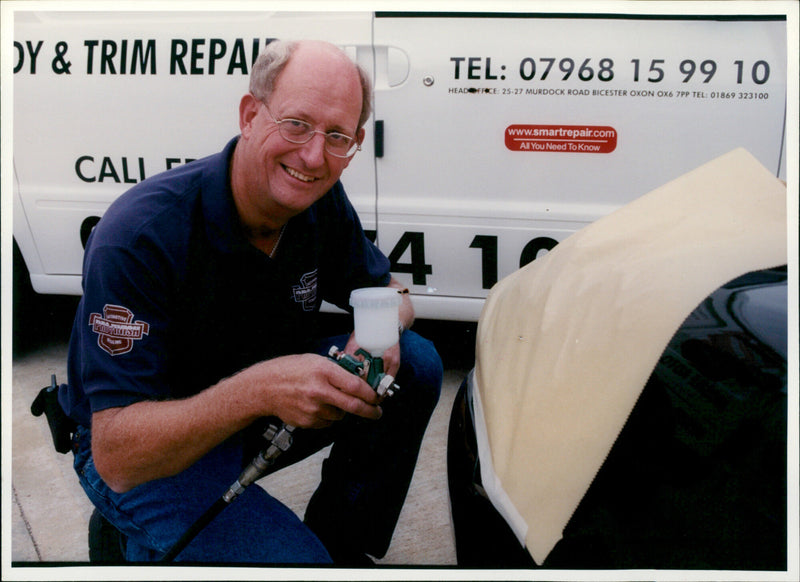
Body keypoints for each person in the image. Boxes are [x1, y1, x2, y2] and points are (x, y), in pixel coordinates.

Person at [60, 39, 443, 565]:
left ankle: (342, 545)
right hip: (149, 449)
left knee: (416, 363)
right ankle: (126, 537)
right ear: (249, 114)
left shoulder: (319, 199)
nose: (313, 156)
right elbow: (118, 454)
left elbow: (390, 289)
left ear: (355, 142)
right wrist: (262, 389)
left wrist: (382, 326)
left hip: (249, 409)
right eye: (296, 124)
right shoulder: (140, 235)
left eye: (337, 136)